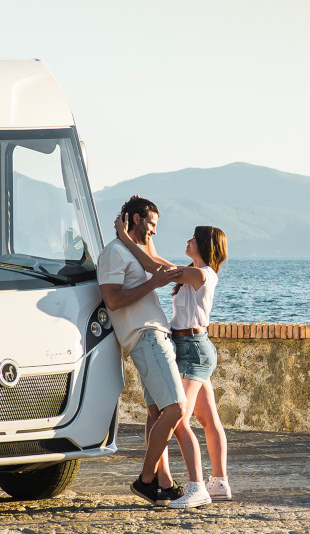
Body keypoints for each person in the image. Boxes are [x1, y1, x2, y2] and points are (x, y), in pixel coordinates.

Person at [97, 196, 212, 508]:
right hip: (145, 336)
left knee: (157, 413)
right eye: (151, 224)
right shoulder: (114, 253)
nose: (155, 231)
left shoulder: (130, 250)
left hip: (153, 335)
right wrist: (151, 282)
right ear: (135, 219)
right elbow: (114, 301)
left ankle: (163, 483)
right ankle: (147, 479)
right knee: (175, 409)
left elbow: (154, 264)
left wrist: (129, 238)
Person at [115, 212, 232, 501]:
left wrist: (124, 239)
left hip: (192, 350)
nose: (188, 240)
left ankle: (197, 488)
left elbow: (154, 268)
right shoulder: (192, 271)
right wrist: (146, 236)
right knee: (209, 419)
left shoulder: (202, 274)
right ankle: (219, 482)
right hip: (193, 347)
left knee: (177, 416)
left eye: (193, 237)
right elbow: (155, 259)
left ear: (205, 245)